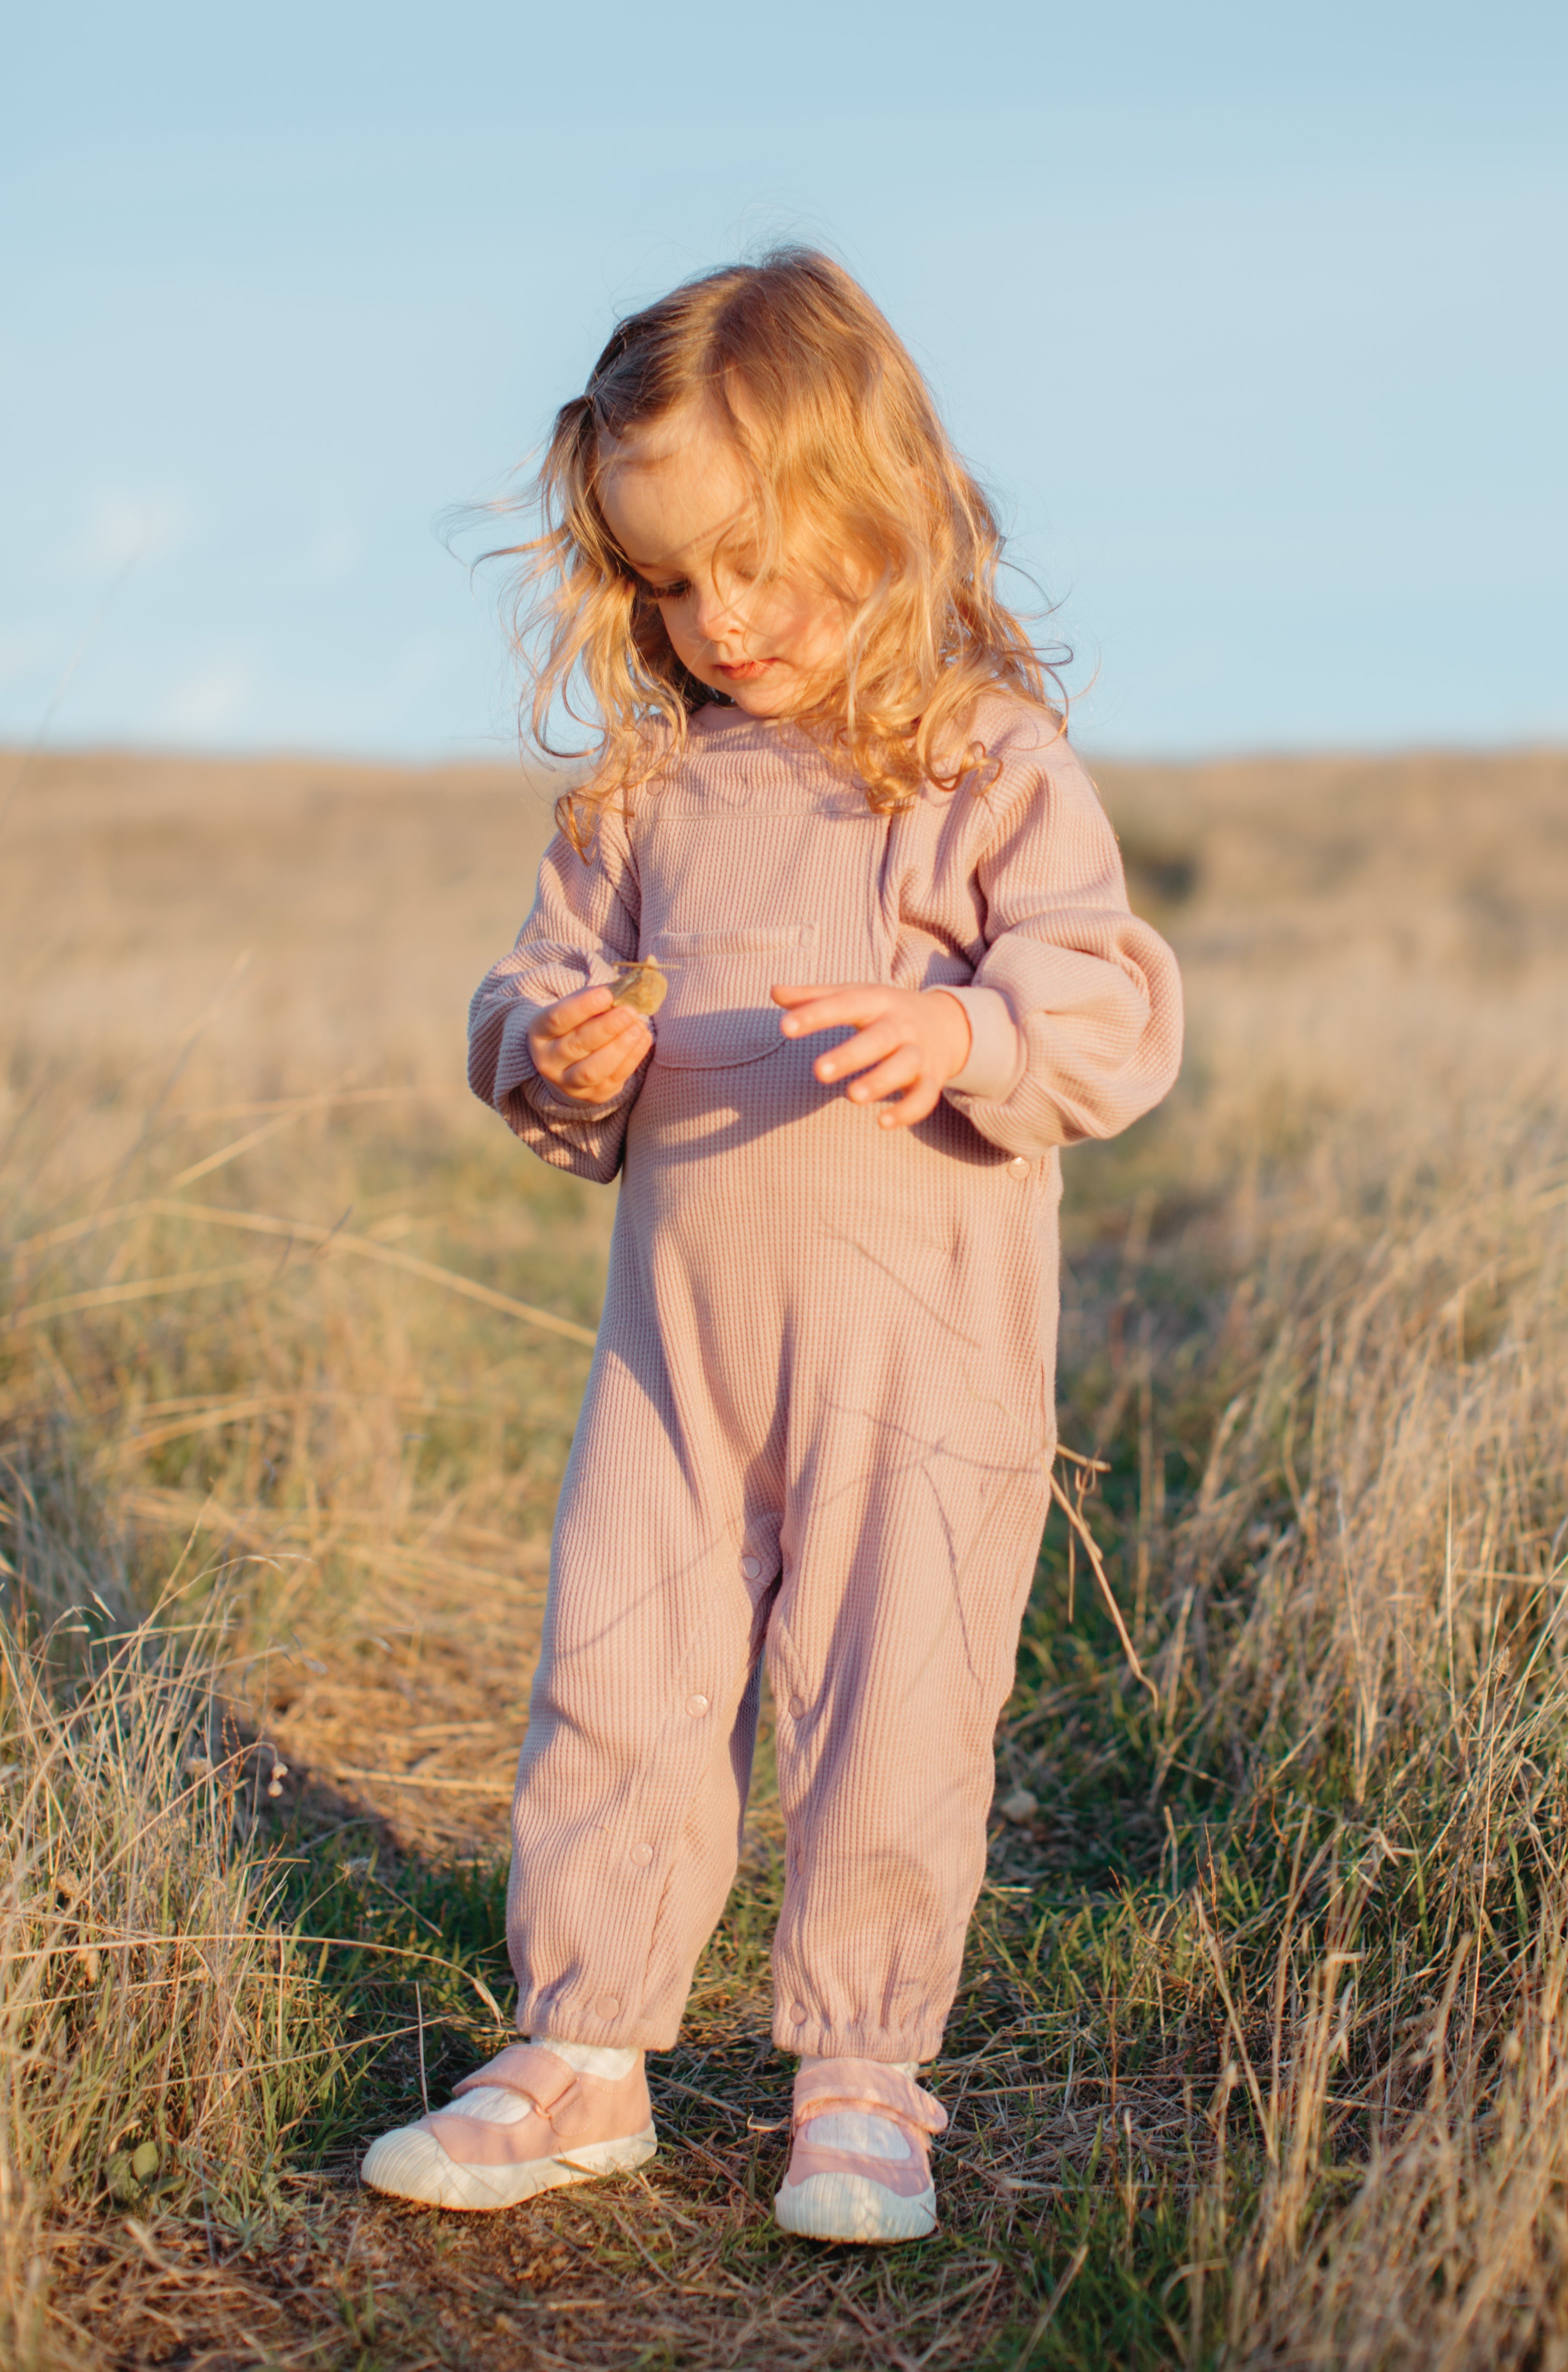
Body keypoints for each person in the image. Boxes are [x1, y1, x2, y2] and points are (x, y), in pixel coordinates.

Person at [362, 249, 1182, 2240]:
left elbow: (1112, 1003)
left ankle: (862, 2072)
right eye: (666, 579)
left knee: (895, 1687)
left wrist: (963, 1026)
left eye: (759, 560)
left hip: (930, 1348)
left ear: (880, 505)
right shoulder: (644, 791)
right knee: (623, 1665)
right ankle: (582, 2048)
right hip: (685, 1346)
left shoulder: (985, 763)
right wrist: (562, 1050)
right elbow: (527, 1005)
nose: (717, 618)